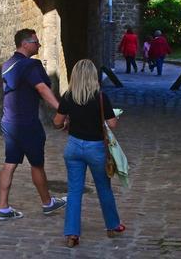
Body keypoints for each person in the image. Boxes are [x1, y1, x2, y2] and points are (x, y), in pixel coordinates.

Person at [0, 28, 67, 221]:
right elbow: (42, 88)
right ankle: (47, 203)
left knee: (10, 163)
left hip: (9, 122)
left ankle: (3, 208)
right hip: (27, 123)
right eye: (36, 42)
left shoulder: (7, 65)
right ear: (25, 44)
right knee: (37, 164)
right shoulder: (31, 65)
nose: (39, 45)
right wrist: (62, 110)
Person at [54, 59, 125, 248]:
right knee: (104, 188)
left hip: (74, 147)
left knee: (74, 191)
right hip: (96, 148)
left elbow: (57, 122)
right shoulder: (101, 98)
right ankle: (113, 225)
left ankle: (72, 234)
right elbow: (112, 124)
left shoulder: (68, 96)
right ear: (93, 76)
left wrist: (67, 123)